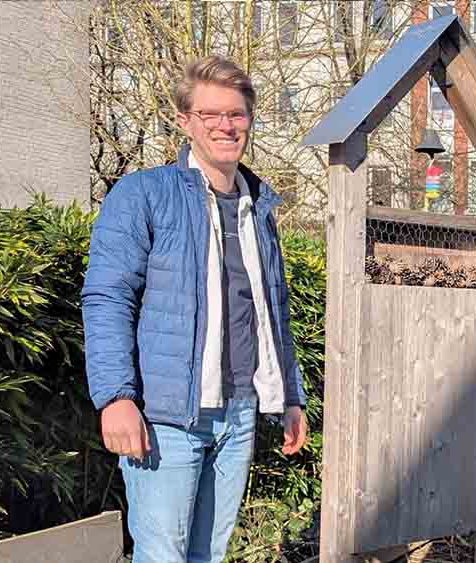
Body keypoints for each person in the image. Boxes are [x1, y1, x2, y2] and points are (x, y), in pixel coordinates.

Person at [82, 55, 308, 563]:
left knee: (209, 556)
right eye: (210, 115)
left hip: (240, 414)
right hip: (167, 418)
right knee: (163, 556)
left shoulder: (259, 209)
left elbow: (273, 313)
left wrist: (290, 397)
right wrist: (115, 397)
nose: (225, 126)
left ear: (249, 119)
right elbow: (106, 298)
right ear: (185, 121)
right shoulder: (144, 195)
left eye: (236, 114)